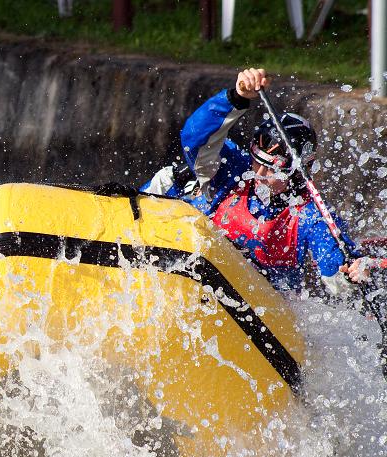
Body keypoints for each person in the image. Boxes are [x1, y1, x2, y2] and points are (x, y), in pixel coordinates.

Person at [141, 67, 366, 295]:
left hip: (256, 304)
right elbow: (194, 139)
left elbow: (334, 270)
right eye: (257, 161)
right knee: (171, 178)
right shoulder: (235, 170)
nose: (260, 173)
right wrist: (235, 97)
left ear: (298, 173)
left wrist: (350, 273)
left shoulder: (310, 216)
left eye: (272, 169)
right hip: (190, 272)